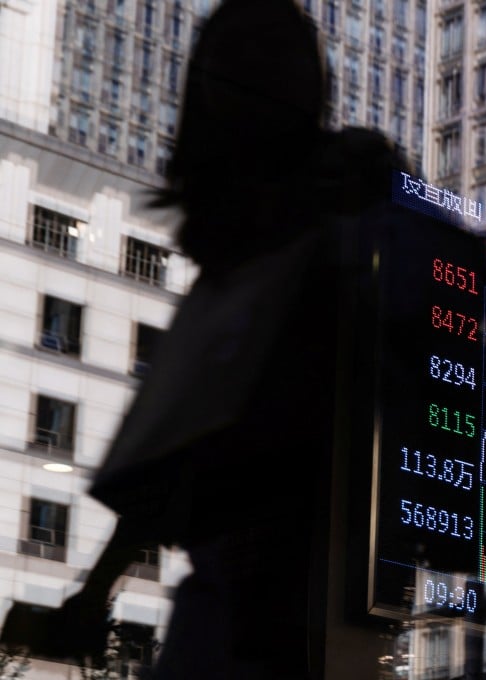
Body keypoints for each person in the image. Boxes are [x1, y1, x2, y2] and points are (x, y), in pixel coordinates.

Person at [34, 1, 339, 677]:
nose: (244, 85)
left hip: (269, 614)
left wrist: (93, 591)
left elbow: (176, 439)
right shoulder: (264, 247)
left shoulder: (302, 240)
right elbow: (178, 438)